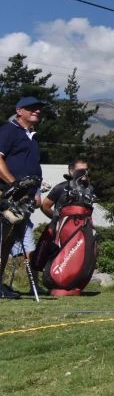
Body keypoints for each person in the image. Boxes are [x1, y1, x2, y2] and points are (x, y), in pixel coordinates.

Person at [0, 97, 45, 298]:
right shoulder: (9, 130)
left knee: (8, 242)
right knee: (1, 240)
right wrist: (13, 185)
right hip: (7, 195)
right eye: (32, 108)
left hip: (24, 198)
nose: (37, 111)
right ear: (19, 111)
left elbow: (33, 167)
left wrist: (34, 193)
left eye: (39, 109)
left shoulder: (32, 138)